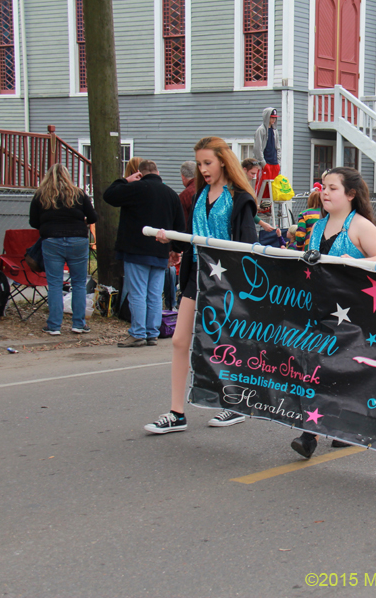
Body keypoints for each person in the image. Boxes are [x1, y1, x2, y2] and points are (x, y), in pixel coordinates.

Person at [145, 137, 258, 434]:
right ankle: (176, 412)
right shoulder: (199, 195)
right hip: (196, 273)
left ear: (223, 161)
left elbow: (248, 243)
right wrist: (169, 237)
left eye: (208, 163)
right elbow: (189, 233)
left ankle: (233, 404)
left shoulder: (239, 198)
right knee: (180, 340)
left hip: (228, 277)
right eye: (199, 164)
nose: (203, 169)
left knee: (226, 343)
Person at [291, 167, 376, 457]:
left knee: (340, 370)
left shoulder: (361, 226)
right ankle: (311, 431)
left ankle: (334, 427)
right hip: (318, 308)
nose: (325, 192)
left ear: (350, 194)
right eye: (323, 187)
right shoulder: (316, 227)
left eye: (333, 188)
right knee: (313, 368)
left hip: (351, 314)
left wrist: (358, 262)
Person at [104, 160, 187, 348]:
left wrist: (126, 180)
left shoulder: (136, 188)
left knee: (138, 293)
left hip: (136, 249)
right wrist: (176, 249)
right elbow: (179, 226)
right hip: (160, 251)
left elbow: (109, 196)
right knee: (155, 294)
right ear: (158, 172)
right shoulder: (171, 194)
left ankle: (138, 332)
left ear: (139, 173)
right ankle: (152, 332)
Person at [28, 164, 97, 335]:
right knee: (79, 283)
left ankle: (54, 325)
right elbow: (93, 216)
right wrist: (80, 223)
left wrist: (48, 224)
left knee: (55, 284)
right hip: (78, 240)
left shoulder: (40, 195)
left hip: (51, 240)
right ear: (68, 176)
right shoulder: (79, 194)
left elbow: (33, 222)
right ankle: (79, 324)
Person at [253, 107, 281, 205]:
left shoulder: (275, 131)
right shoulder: (261, 130)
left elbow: (278, 147)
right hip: (265, 163)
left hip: (274, 163)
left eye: (275, 118)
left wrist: (278, 162)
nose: (273, 120)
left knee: (271, 189)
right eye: (271, 117)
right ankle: (257, 207)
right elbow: (258, 148)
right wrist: (263, 162)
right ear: (266, 117)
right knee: (261, 186)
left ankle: (267, 208)